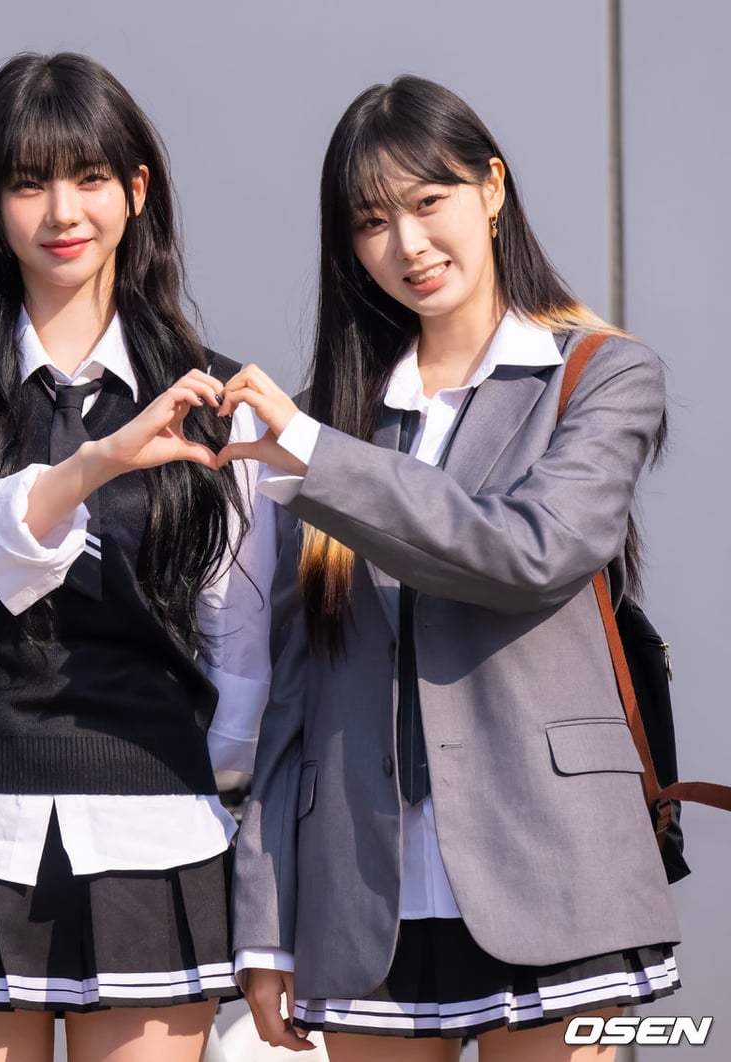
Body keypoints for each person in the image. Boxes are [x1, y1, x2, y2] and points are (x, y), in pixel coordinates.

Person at [217, 75, 680, 1061]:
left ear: (493, 188)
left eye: (430, 201)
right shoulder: (331, 418)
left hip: (555, 870)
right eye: (371, 221)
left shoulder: (601, 374)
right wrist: (264, 921)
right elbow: (295, 687)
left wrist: (318, 457)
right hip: (360, 898)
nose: (408, 243)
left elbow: (530, 552)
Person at [0, 52, 271, 1062]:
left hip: (156, 828)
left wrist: (203, 798)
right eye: (30, 183)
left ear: (136, 190)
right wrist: (93, 465)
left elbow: (240, 637)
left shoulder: (215, 396)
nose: (63, 211)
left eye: (89, 177)